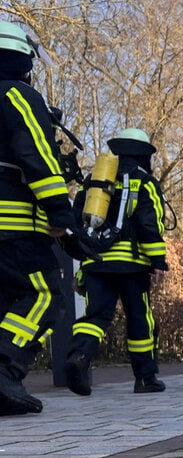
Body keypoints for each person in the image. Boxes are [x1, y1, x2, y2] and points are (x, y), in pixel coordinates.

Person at [0, 21, 93, 415]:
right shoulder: (18, 94)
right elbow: (35, 155)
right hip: (14, 226)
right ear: (21, 58)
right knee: (42, 294)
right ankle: (4, 371)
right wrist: (62, 213)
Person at [65, 128, 169, 396]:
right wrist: (157, 260)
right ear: (143, 154)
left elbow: (76, 221)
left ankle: (79, 358)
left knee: (95, 316)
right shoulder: (144, 182)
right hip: (131, 265)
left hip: (96, 263)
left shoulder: (94, 179)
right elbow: (150, 224)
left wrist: (83, 260)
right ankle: (145, 378)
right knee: (139, 319)